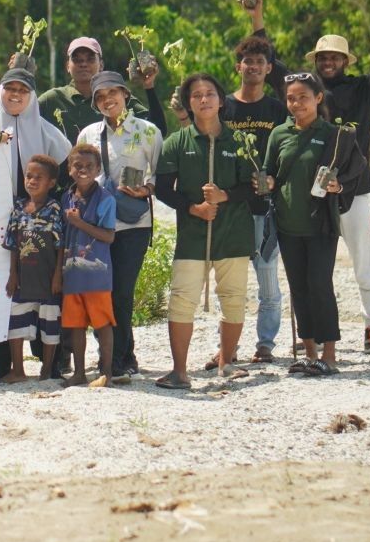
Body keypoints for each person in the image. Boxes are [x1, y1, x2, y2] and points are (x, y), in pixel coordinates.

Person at [308, 0, 370, 354]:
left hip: (356, 188)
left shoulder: (364, 90)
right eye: (323, 56)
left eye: (334, 56)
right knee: (317, 265)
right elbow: (274, 73)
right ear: (316, 61)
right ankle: (318, 331)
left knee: (365, 259)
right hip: (314, 192)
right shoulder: (305, 93)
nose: (328, 61)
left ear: (344, 60)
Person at [0, 69, 72, 379]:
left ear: (31, 96)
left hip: (38, 220)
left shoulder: (47, 132)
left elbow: (64, 175)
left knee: (44, 289)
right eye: (9, 88)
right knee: (4, 289)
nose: (15, 94)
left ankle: (50, 362)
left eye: (22, 90)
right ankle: (4, 364)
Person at [154, 73, 255, 390]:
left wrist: (226, 196)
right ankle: (179, 371)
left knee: (234, 300)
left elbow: (253, 187)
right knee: (182, 300)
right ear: (188, 103)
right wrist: (192, 208)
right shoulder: (176, 143)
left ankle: (226, 364)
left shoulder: (240, 142)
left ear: (221, 101)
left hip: (233, 234)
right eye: (196, 95)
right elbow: (162, 189)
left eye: (210, 93)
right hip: (193, 236)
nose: (203, 99)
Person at [265, 72, 366, 376]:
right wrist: (266, 181)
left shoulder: (334, 135)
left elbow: (357, 167)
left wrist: (339, 185)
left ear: (318, 98)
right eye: (291, 98)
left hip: (320, 225)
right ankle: (309, 353)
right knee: (298, 288)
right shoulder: (278, 134)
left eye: (303, 97)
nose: (296, 104)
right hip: (287, 225)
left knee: (320, 285)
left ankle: (330, 356)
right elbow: (270, 170)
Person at [77, 71, 161, 382]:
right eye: (100, 96)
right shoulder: (88, 134)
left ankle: (121, 357)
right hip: (98, 223)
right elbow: (80, 171)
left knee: (122, 292)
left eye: (113, 92)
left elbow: (159, 173)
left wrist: (147, 189)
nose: (107, 100)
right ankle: (114, 356)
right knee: (103, 291)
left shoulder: (148, 132)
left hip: (134, 223)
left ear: (126, 94)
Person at [222, 32, 288, 363]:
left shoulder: (278, 108)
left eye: (260, 62)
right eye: (248, 61)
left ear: (268, 68)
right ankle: (228, 347)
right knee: (231, 283)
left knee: (267, 278)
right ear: (238, 66)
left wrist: (276, 180)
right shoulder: (224, 106)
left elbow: (285, 151)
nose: (254, 66)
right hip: (231, 206)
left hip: (265, 205)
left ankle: (265, 344)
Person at [0, 155, 65, 383]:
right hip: (23, 277)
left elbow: (61, 246)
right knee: (16, 320)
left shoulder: (55, 208)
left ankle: (47, 369)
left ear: (51, 183)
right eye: (29, 176)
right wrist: (13, 274)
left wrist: (58, 275)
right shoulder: (18, 208)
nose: (32, 181)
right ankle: (18, 369)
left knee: (50, 323)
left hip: (48, 277)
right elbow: (13, 244)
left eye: (39, 177)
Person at [38, 36, 167, 145]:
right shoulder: (52, 99)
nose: (83, 63)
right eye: (77, 59)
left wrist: (149, 86)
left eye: (90, 59)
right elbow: (23, 124)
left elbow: (158, 129)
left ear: (101, 65)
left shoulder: (115, 100)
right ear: (68, 66)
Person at [59, 144, 116, 388]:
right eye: (77, 166)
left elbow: (109, 236)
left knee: (102, 324)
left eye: (89, 166)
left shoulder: (106, 199)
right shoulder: (66, 196)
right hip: (72, 273)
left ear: (98, 169)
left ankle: (107, 372)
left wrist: (79, 222)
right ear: (70, 169)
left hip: (96, 274)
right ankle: (79, 372)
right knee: (76, 325)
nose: (83, 170)